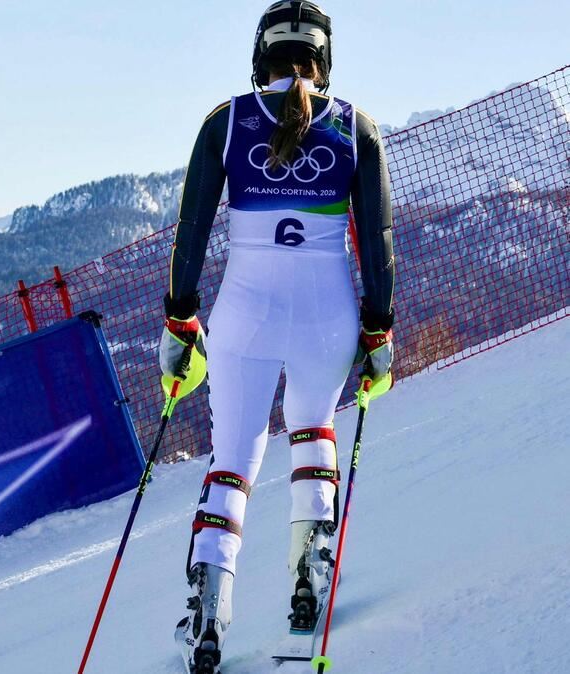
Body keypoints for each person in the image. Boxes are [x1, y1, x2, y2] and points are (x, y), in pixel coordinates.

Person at [158, 3, 395, 672]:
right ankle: (309, 576)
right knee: (313, 427)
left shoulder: (225, 122)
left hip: (245, 314)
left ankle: (207, 612)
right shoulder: (357, 127)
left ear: (259, 57)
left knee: (233, 455)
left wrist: (180, 319)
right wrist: (379, 327)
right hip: (327, 315)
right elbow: (377, 244)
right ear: (325, 59)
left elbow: (190, 234)